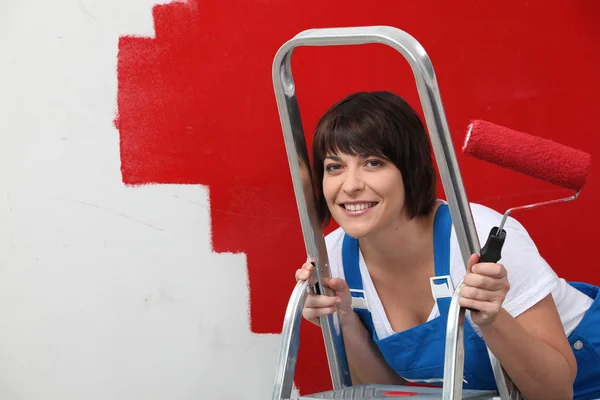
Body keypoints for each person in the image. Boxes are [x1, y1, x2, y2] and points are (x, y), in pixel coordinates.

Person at [295, 91, 600, 400]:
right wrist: (343, 320)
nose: (350, 185)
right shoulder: (333, 259)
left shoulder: (477, 238)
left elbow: (556, 392)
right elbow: (382, 392)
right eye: (335, 167)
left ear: (411, 169)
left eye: (373, 163)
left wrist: (494, 321)